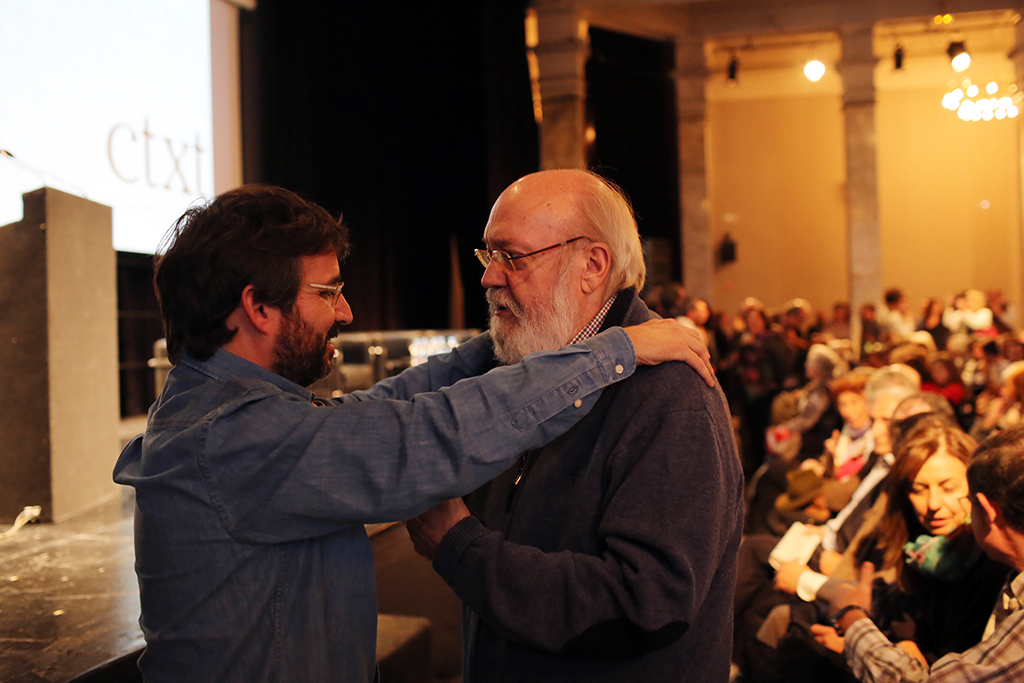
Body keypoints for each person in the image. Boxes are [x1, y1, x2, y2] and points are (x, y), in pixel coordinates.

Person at [111, 184, 713, 683]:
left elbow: (391, 403)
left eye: (514, 260)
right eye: (329, 293)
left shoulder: (231, 413)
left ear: (594, 265)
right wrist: (611, 350)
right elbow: (420, 431)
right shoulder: (231, 437)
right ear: (258, 308)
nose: (345, 312)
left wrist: (519, 332)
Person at [405, 169, 744, 683]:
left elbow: (645, 603)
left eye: (511, 257)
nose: (489, 277)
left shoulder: (671, 398)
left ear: (592, 265)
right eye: (488, 255)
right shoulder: (526, 363)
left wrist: (461, 545)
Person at [831, 424, 1024, 683]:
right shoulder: (919, 553)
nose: (933, 504)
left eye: (950, 488)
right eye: (919, 489)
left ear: (988, 511)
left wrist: (852, 621)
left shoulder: (992, 568)